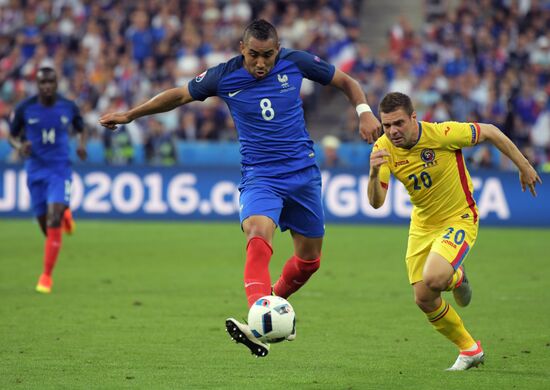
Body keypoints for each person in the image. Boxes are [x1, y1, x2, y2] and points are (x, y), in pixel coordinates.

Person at [99, 19, 380, 357]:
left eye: (268, 56)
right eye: (253, 55)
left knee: (309, 262)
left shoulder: (296, 62)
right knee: (258, 234)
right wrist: (131, 114)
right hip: (260, 176)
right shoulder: (223, 75)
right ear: (241, 50)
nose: (260, 63)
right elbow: (178, 95)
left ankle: (267, 312)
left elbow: (345, 81)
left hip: (303, 174)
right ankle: (260, 315)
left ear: (277, 50)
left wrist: (364, 111)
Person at [367, 92, 542, 370]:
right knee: (424, 298)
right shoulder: (383, 148)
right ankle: (470, 349)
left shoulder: (442, 133)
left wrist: (523, 166)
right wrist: (374, 173)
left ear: (414, 117)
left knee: (435, 277)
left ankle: (455, 276)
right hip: (423, 225)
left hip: (458, 217)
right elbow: (377, 203)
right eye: (386, 125)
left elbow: (491, 131)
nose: (393, 131)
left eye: (398, 123)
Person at [9, 66, 87, 293]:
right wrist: (19, 146)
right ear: (37, 84)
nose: (46, 86)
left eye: (50, 82)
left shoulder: (68, 107)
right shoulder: (25, 108)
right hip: (35, 170)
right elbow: (12, 136)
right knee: (46, 226)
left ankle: (46, 276)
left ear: (56, 83)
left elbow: (82, 129)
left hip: (59, 168)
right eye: (42, 82)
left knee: (52, 219)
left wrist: (81, 146)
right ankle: (65, 215)